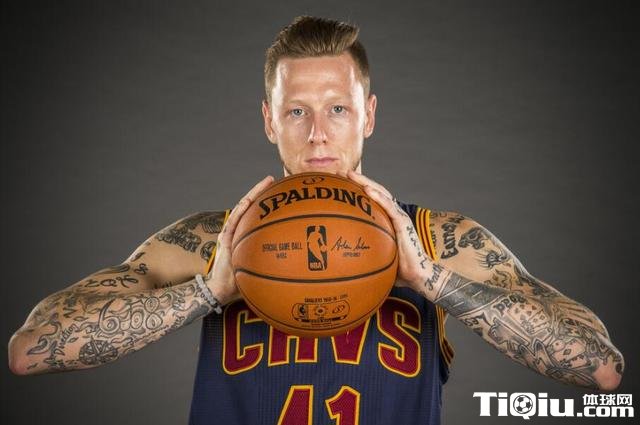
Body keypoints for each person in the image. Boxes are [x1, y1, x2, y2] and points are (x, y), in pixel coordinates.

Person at [8, 15, 623, 424]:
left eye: (338, 109)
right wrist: (207, 291)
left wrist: (431, 280)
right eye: (297, 111)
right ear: (269, 120)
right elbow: (31, 352)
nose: (319, 134)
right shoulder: (212, 242)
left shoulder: (436, 240)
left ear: (369, 115)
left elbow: (599, 367)